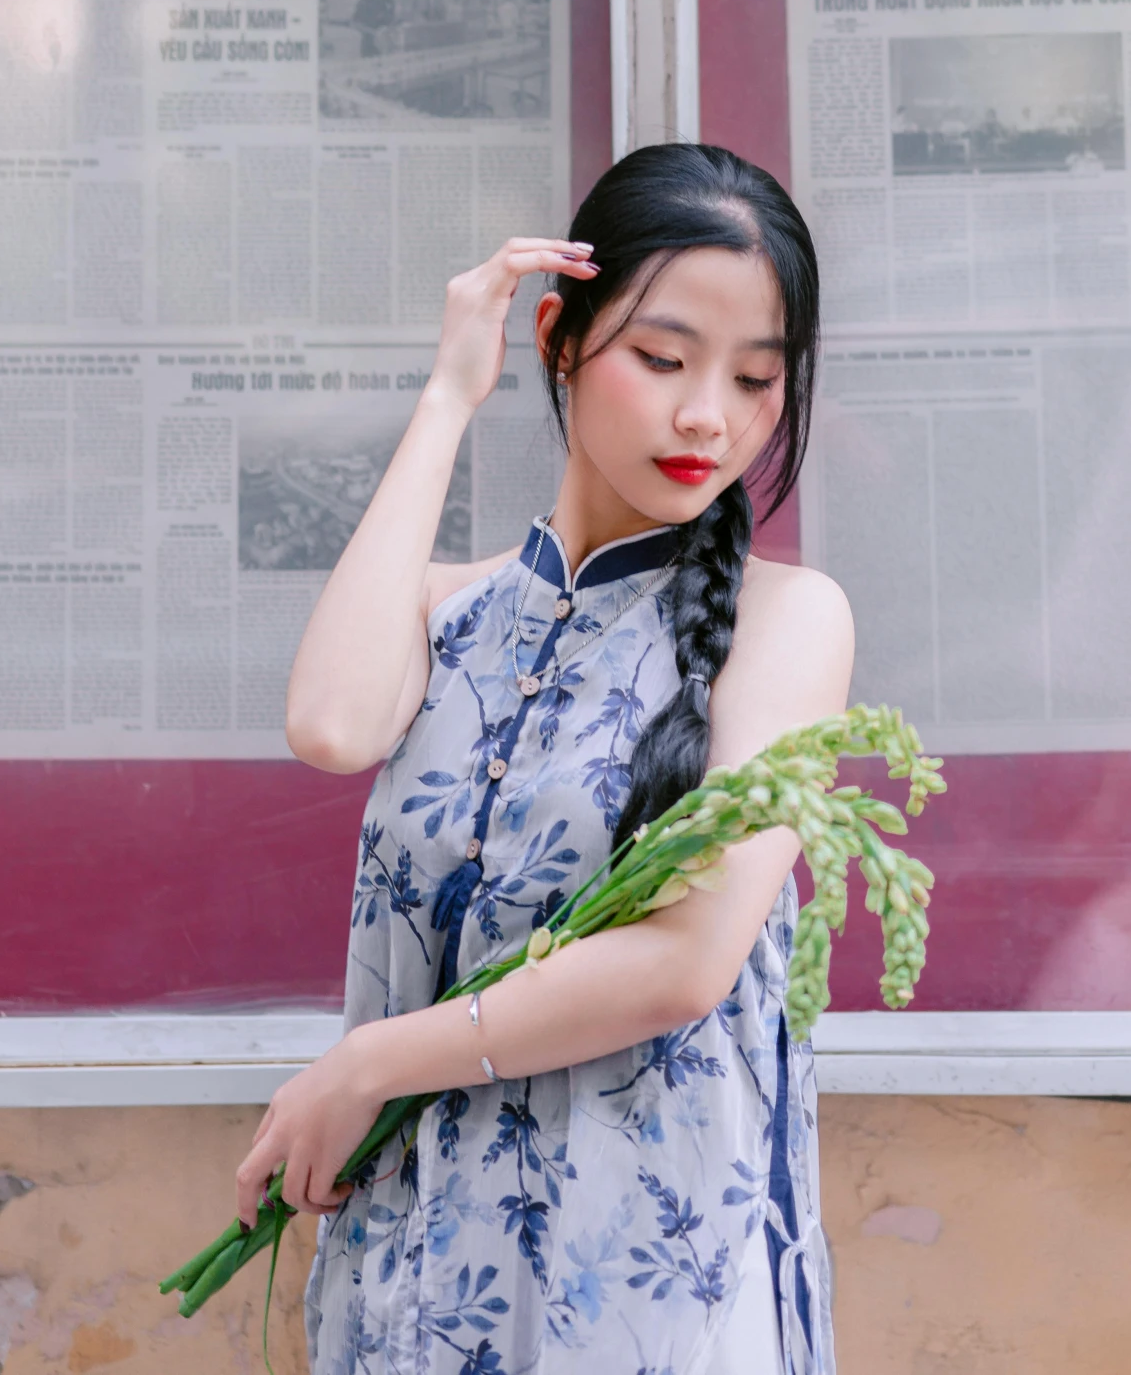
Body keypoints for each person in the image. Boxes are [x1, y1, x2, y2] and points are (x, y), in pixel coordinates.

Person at [240, 144, 852, 1375]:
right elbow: (331, 727)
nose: (708, 417)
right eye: (664, 359)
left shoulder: (790, 624)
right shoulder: (444, 609)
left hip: (643, 1293)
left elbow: (683, 965)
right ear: (561, 340)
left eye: (754, 377)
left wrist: (368, 1064)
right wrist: (446, 395)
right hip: (409, 1276)